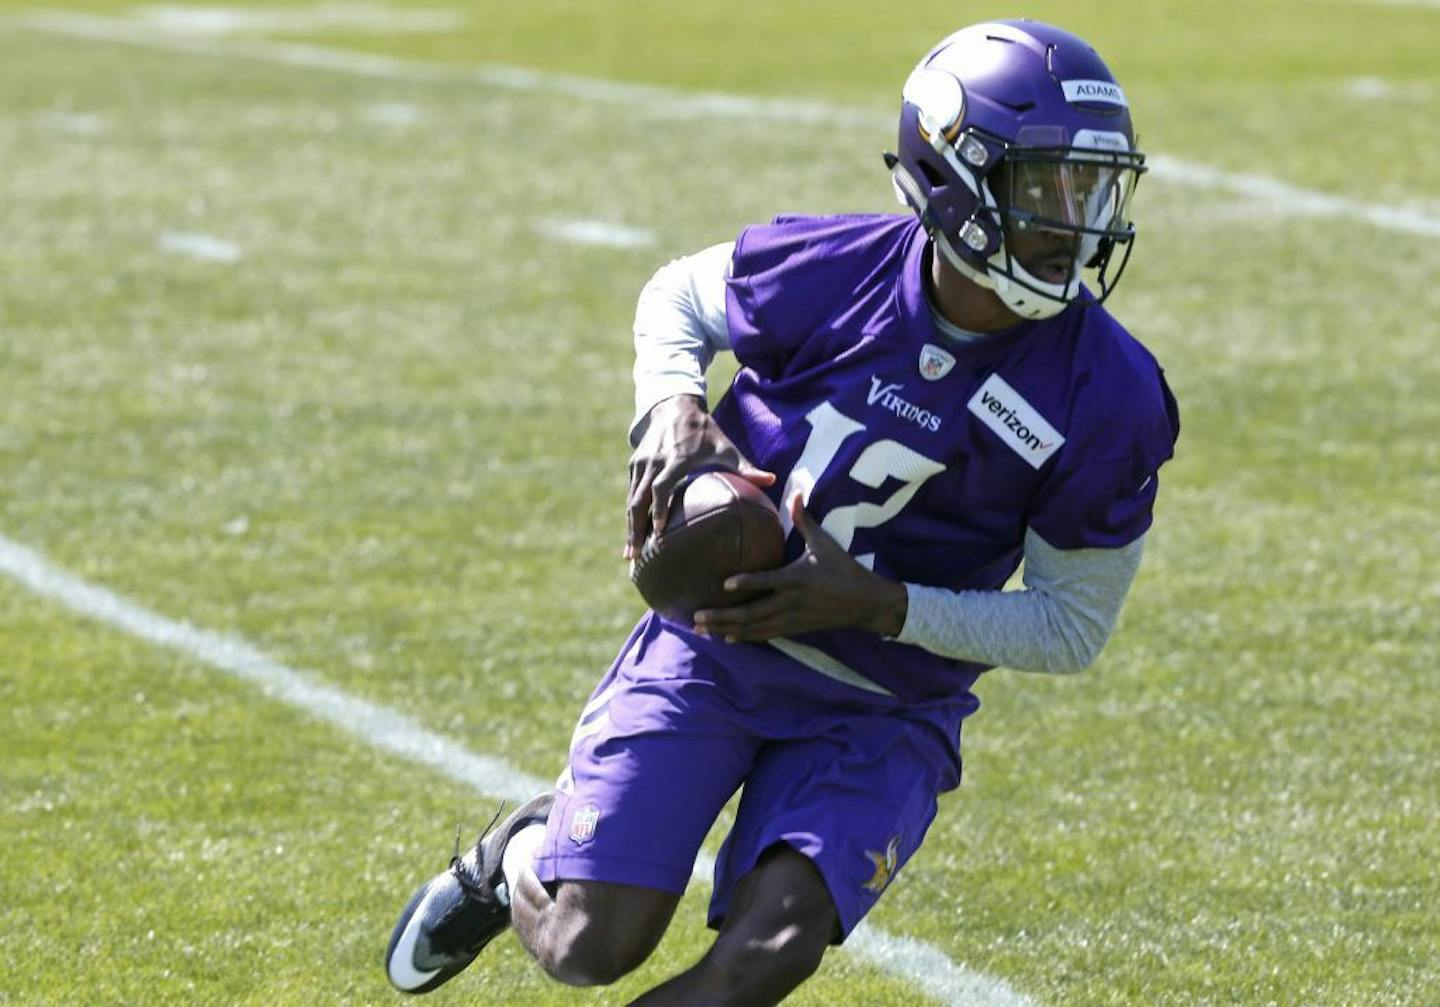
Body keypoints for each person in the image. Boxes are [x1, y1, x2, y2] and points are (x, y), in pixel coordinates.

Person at [385, 18, 1179, 1005]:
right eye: (1048, 187)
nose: (1079, 220)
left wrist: (877, 603)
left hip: (889, 699)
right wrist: (670, 405)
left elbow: (1070, 625)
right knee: (590, 944)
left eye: (1095, 188)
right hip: (715, 642)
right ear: (953, 180)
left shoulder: (1112, 394)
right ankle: (516, 854)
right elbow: (677, 295)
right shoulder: (840, 269)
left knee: (772, 949)